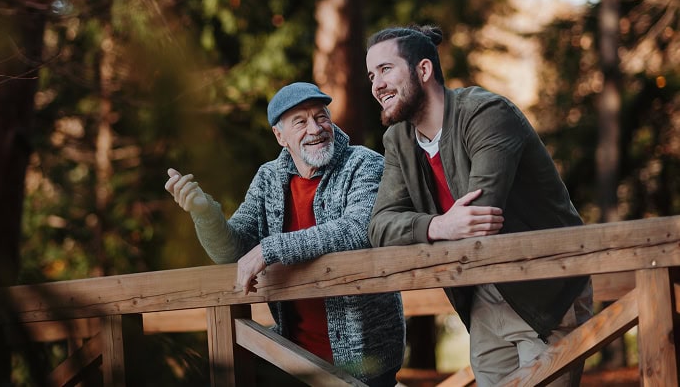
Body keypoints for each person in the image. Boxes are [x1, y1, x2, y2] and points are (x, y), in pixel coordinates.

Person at [365, 25, 593, 386]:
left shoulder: (486, 114)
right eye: (372, 74)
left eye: (386, 69)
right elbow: (379, 226)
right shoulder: (398, 140)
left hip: (545, 287)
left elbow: (480, 219)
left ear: (423, 70)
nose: (376, 84)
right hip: (483, 296)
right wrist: (438, 226)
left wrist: (430, 226)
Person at [164, 82, 405, 386]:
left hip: (365, 362)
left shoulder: (364, 163)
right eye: (300, 122)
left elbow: (359, 230)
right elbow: (232, 251)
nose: (315, 128)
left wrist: (270, 249)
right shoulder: (268, 178)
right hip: (292, 358)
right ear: (280, 136)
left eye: (321, 116)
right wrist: (204, 213)